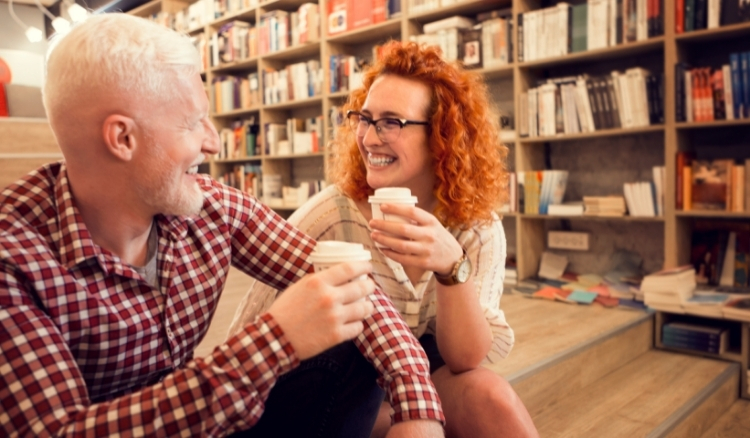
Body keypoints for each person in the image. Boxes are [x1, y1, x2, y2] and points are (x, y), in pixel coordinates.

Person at [0, 14, 446, 437]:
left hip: (202, 417)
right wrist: (273, 341)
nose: (214, 142)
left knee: (348, 330)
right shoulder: (12, 259)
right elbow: (56, 432)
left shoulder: (212, 207)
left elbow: (356, 293)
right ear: (122, 138)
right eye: (194, 123)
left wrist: (418, 408)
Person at [229, 41, 540, 438]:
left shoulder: (477, 228)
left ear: (442, 136)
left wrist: (450, 265)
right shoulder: (329, 216)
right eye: (365, 118)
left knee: (490, 394)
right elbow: (248, 335)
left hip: (418, 381)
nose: (370, 138)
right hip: (337, 389)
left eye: (392, 122)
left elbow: (465, 360)